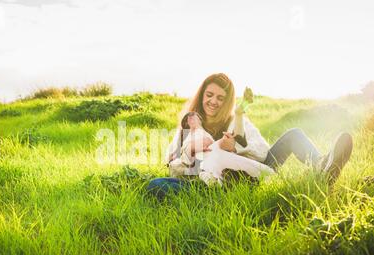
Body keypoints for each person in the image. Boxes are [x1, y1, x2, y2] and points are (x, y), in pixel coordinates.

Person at [147, 73, 353, 199]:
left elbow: (262, 152)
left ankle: (323, 167)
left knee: (294, 134)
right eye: (209, 95)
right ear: (202, 96)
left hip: (251, 174)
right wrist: (191, 151)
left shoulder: (235, 121)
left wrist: (235, 147)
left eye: (220, 98)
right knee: (156, 184)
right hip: (209, 180)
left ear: (227, 101)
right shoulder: (188, 125)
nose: (213, 102)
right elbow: (172, 166)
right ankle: (211, 194)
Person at [169, 111, 275, 185]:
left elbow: (210, 143)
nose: (193, 118)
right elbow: (182, 156)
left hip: (211, 157)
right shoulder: (188, 136)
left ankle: (264, 174)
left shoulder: (204, 133)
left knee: (223, 157)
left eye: (195, 117)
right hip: (199, 163)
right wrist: (192, 147)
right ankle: (209, 180)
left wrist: (224, 143)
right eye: (190, 118)